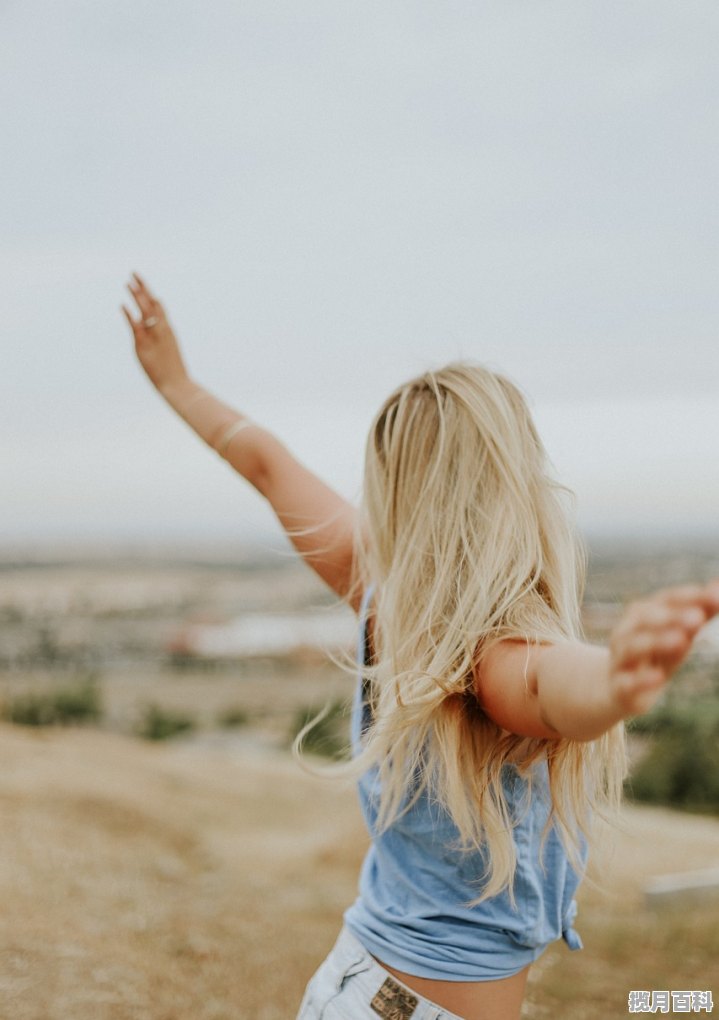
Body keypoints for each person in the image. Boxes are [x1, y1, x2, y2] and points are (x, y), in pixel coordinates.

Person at [122, 272, 719, 1020]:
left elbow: (267, 465)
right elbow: (547, 689)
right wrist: (614, 683)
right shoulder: (487, 656)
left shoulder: (384, 594)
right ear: (516, 485)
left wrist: (176, 382)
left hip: (363, 988)